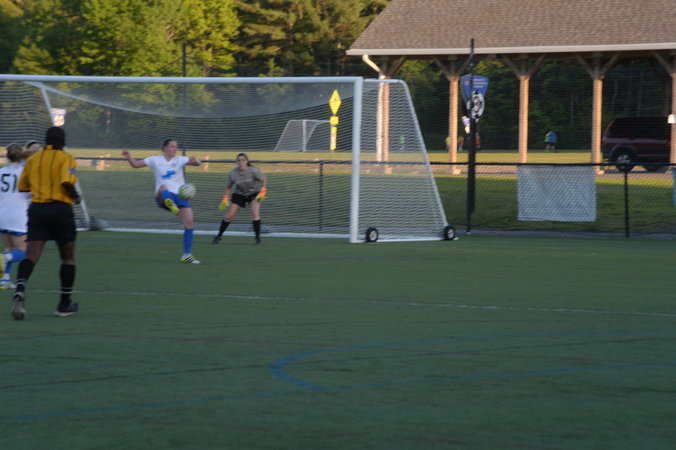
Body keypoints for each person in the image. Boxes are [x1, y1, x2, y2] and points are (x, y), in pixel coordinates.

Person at [10, 127, 82, 320]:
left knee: (31, 255)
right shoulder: (66, 158)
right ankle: (64, 305)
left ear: (46, 140)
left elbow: (23, 187)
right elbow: (65, 182)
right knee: (67, 257)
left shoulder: (33, 159)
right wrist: (76, 197)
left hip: (38, 210)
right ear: (63, 141)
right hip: (60, 210)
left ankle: (20, 289)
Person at [122, 139, 202, 264]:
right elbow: (136, 164)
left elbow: (197, 163)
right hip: (162, 195)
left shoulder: (180, 159)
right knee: (163, 187)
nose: (175, 149)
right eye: (172, 146)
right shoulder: (154, 160)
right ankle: (170, 203)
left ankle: (187, 255)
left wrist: (196, 160)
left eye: (176, 146)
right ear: (165, 148)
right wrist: (129, 157)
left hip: (180, 195)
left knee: (189, 224)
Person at [0, 143, 35, 289]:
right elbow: (31, 193)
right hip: (18, 215)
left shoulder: (1, 172)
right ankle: (3, 258)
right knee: (24, 251)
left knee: (9, 247)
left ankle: (5, 280)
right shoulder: (25, 172)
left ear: (7, 156)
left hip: (2, 214)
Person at [212, 153, 267, 245]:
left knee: (255, 213)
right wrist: (226, 197)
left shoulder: (253, 170)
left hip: (253, 194)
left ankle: (258, 239)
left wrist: (263, 189)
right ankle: (218, 236)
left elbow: (263, 179)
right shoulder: (233, 173)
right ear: (236, 162)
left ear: (247, 161)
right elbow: (228, 186)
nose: (241, 162)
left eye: (243, 160)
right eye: (239, 160)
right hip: (239, 195)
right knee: (228, 216)